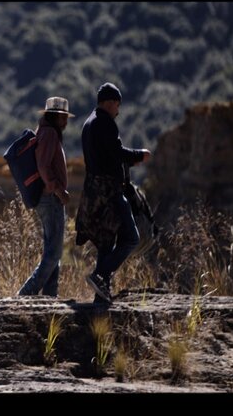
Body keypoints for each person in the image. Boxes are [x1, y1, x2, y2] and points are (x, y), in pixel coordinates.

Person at [75, 82, 151, 304]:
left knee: (106, 243)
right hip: (110, 193)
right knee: (131, 238)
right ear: (111, 103)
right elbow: (117, 152)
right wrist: (139, 155)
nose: (118, 111)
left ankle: (101, 298)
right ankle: (100, 276)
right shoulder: (105, 123)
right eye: (117, 105)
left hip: (94, 193)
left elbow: (107, 155)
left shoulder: (89, 123)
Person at [18, 96, 73, 298]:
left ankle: (50, 298)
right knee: (53, 254)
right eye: (64, 117)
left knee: (53, 252)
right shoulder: (49, 134)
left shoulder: (46, 131)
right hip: (51, 199)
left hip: (49, 198)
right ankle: (25, 295)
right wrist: (58, 190)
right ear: (56, 116)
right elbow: (44, 166)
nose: (66, 122)